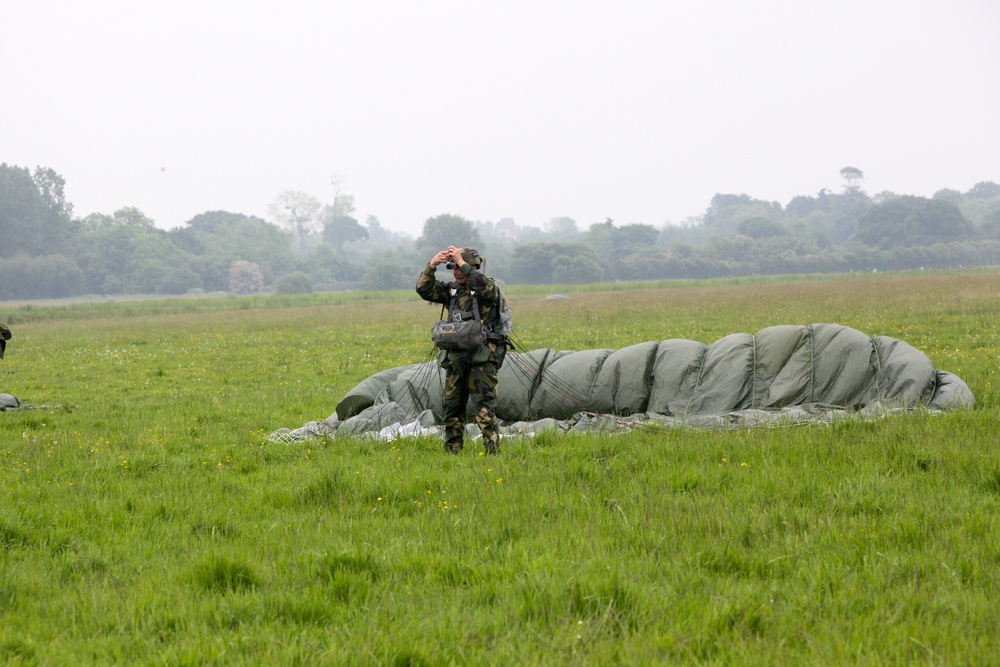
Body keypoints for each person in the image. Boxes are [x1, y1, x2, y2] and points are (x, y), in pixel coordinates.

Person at [416, 246, 505, 454]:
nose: (457, 272)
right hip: (456, 357)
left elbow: (487, 288)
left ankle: (492, 453)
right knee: (452, 407)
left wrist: (463, 263)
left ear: (473, 267)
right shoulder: (452, 291)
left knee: (484, 408)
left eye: (460, 267)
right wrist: (432, 266)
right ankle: (453, 453)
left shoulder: (486, 287)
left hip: (481, 358)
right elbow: (423, 289)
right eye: (454, 268)